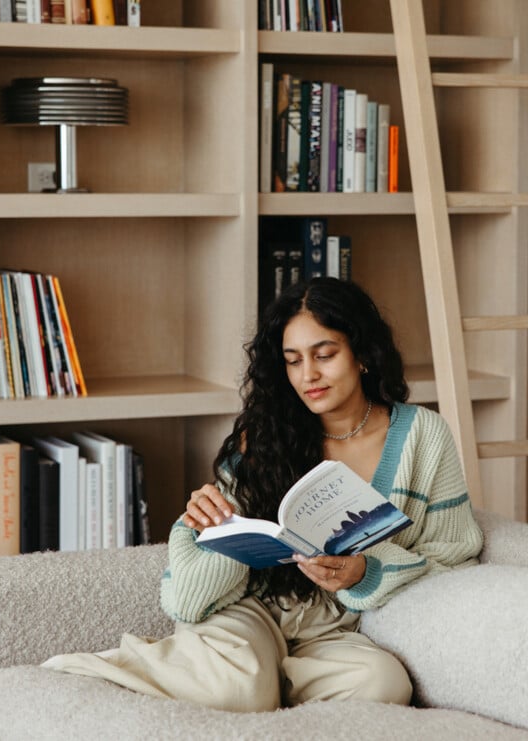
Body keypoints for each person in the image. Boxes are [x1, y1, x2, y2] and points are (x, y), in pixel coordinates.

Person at [43, 277, 484, 712]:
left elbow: (456, 552)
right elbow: (189, 599)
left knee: (382, 684)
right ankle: (97, 670)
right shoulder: (267, 436)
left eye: (324, 355)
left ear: (363, 354)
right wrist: (209, 522)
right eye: (293, 361)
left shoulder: (423, 436)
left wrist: (366, 571)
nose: (308, 375)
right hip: (248, 610)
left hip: (333, 632)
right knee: (238, 687)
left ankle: (259, 690)